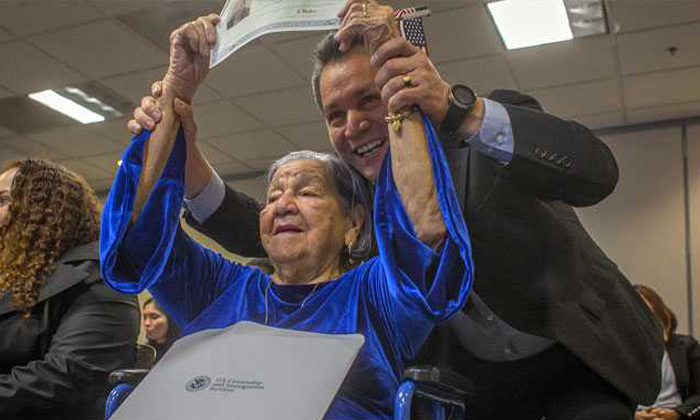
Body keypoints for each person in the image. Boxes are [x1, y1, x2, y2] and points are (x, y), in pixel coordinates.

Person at [129, 1, 663, 417]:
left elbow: (596, 171)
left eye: (369, 100)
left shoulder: (476, 132)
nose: (355, 124)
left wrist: (462, 111)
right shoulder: (358, 206)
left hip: (577, 355)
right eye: (335, 115)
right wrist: (182, 139)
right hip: (469, 383)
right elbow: (270, 231)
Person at [99, 12, 474, 420]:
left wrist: (394, 77)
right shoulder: (220, 289)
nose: (283, 204)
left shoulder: (373, 296)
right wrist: (176, 87)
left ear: (354, 223)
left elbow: (425, 240)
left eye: (308, 192)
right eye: (274, 194)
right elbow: (139, 234)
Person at [0, 159, 140, 420]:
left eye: (3, 200)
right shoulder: (18, 276)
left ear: (43, 209)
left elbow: (70, 375)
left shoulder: (100, 278)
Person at [635, 284, 700, 420]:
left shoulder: (687, 347)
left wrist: (677, 413)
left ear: (659, 312)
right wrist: (633, 416)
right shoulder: (621, 351)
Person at [142, 297, 180, 363]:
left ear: (170, 319)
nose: (146, 323)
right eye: (145, 317)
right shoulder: (145, 352)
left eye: (154, 317)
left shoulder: (182, 349)